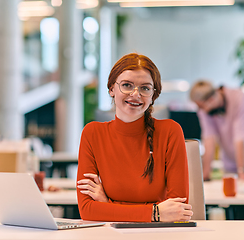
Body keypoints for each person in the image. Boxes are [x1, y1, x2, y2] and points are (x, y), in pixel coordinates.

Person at [76, 53, 193, 222]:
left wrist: (108, 205)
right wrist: (155, 213)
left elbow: (177, 211)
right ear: (111, 89)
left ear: (153, 95)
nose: (135, 94)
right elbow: (87, 210)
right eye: (127, 85)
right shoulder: (92, 133)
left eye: (145, 88)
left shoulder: (170, 132)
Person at [189, 80, 244, 185]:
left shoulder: (240, 98)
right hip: (230, 161)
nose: (201, 111)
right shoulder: (205, 111)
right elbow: (209, 139)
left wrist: (242, 171)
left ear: (211, 99)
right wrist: (205, 175)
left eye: (201, 106)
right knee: (229, 197)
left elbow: (240, 139)